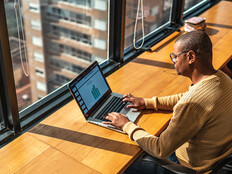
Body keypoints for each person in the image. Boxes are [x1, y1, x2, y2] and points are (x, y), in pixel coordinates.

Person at [103, 31, 232, 173]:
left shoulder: (192, 103)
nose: (173, 62)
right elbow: (187, 97)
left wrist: (126, 125)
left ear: (190, 57)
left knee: (122, 163)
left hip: (189, 167)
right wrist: (147, 103)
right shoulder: (223, 78)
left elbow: (160, 149)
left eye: (175, 57)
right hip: (217, 158)